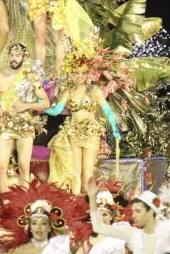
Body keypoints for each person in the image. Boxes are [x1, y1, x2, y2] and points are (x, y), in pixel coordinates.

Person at [44, 50, 122, 194]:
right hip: (74, 132)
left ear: (88, 73)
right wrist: (41, 106)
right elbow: (56, 111)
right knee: (75, 172)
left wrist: (115, 129)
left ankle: (88, 203)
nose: (79, 76)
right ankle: (76, 203)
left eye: (82, 72)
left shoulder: (95, 91)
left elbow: (107, 111)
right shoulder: (67, 92)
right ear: (71, 74)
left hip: (91, 132)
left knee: (88, 172)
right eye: (76, 73)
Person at [0, 43, 50, 193]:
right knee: (1, 166)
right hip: (4, 124)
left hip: (25, 124)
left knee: (23, 165)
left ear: (24, 57)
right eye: (12, 55)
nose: (14, 59)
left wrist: (27, 106)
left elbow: (46, 103)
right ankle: (7, 202)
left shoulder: (31, 76)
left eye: (17, 55)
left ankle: (23, 203)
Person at [62, 188, 130, 254]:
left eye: (105, 214)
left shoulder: (121, 230)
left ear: (111, 217)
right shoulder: (91, 239)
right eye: (98, 214)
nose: (101, 218)